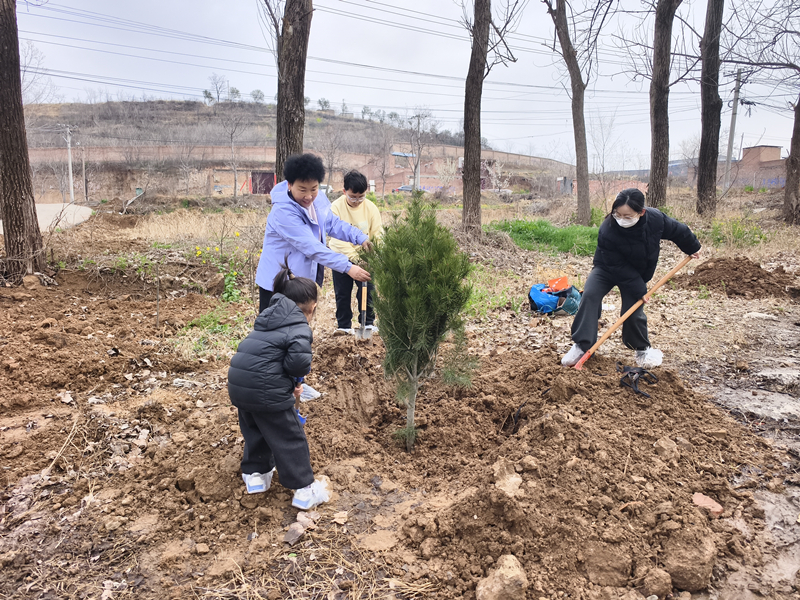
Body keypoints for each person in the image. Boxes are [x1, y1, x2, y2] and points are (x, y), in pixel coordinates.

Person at [255, 153, 373, 400]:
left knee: (298, 334)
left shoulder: (318, 204)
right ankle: (273, 385)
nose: (308, 196)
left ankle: (295, 384)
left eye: (314, 189)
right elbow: (311, 246)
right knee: (276, 336)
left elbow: (333, 224)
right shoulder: (283, 213)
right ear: (289, 186)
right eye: (302, 190)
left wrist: (360, 237)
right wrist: (347, 266)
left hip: (303, 282)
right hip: (278, 284)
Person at [561, 188, 701, 368]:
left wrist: (693, 247)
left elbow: (677, 230)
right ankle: (582, 345)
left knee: (633, 309)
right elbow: (617, 266)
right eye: (617, 214)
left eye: (627, 216)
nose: (621, 219)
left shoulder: (655, 220)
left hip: (638, 270)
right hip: (607, 267)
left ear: (641, 212)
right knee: (590, 295)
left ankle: (641, 349)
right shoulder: (608, 228)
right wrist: (640, 289)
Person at [227, 265, 330, 509]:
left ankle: (256, 477)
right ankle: (305, 490)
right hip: (267, 392)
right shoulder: (299, 327)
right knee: (289, 436)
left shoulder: (266, 321)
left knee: (256, 431)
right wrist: (295, 382)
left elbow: (264, 358)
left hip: (240, 388)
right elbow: (298, 363)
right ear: (312, 308)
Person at [329, 170, 383, 335]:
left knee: (368, 290)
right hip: (342, 258)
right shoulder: (335, 207)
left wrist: (374, 255)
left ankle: (367, 323)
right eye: (353, 197)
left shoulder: (371, 208)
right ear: (344, 191)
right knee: (342, 293)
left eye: (361, 197)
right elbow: (337, 240)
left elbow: (378, 234)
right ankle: (344, 326)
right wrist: (354, 258)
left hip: (366, 258)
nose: (357, 201)